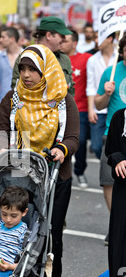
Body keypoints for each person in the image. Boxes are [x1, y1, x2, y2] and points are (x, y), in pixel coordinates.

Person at [0, 44, 79, 277]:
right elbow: (1, 127)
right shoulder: (13, 96)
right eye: (23, 68)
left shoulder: (62, 99)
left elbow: (73, 137)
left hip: (54, 176)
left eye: (33, 69)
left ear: (46, 70)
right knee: (16, 232)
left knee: (50, 237)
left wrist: (61, 149)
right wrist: (1, 147)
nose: (27, 74)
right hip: (19, 175)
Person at [94, 34, 126, 243]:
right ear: (122, 51)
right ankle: (117, 222)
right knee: (109, 182)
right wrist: (107, 94)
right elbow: (98, 104)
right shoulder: (111, 71)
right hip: (113, 135)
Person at [105, 107, 126, 277]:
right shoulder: (120, 117)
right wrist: (119, 159)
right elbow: (110, 149)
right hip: (123, 194)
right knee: (120, 255)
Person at [61, 28, 91, 188]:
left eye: (65, 40)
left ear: (75, 43)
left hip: (81, 109)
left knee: (80, 142)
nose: (62, 43)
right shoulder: (56, 60)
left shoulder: (87, 59)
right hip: (60, 110)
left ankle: (79, 171)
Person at [11, 17, 74, 95]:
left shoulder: (64, 59)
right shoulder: (26, 56)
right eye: (61, 35)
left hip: (61, 106)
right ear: (48, 35)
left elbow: (70, 90)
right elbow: (17, 88)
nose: (64, 39)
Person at [86, 32, 116, 160]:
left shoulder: (119, 58)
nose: (96, 41)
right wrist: (91, 109)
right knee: (97, 146)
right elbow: (91, 86)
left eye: (100, 37)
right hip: (98, 108)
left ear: (110, 39)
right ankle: (107, 162)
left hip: (115, 108)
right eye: (95, 37)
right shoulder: (92, 60)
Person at [0, 27, 23, 112]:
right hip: (4, 105)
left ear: (12, 39)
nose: (0, 40)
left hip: (23, 104)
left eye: (3, 37)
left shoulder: (26, 56)